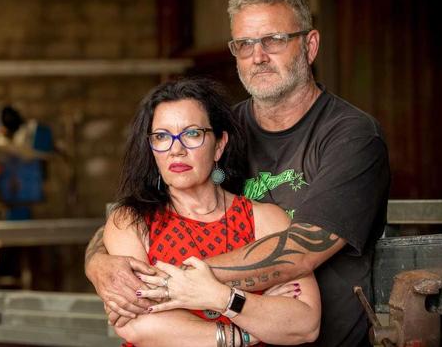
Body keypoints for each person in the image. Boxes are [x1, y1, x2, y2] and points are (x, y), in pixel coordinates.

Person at [85, 0, 390, 345]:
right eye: (244, 44)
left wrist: (168, 283)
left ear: (310, 46)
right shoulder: (217, 129)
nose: (257, 56)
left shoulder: (352, 137)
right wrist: (98, 264)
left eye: (274, 39)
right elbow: (133, 218)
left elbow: (297, 252)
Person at [103, 77, 320, 346]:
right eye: (161, 137)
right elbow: (137, 324)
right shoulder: (131, 221)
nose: (176, 150)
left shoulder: (266, 219)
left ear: (219, 144)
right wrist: (247, 331)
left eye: (192, 134)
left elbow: (304, 324)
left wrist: (219, 296)